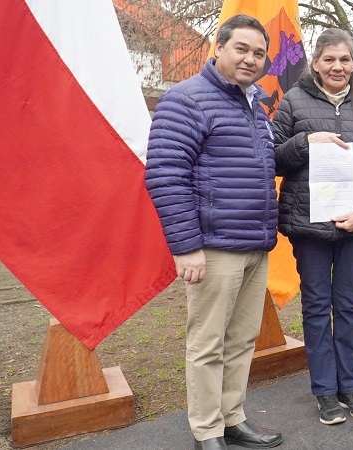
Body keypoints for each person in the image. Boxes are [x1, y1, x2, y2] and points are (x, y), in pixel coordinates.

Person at [145, 15, 282, 450]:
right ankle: (207, 432)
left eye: (258, 53)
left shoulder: (254, 105)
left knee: (242, 339)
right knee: (208, 344)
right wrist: (186, 247)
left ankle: (232, 418)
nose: (250, 59)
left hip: (255, 245)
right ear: (218, 48)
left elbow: (261, 168)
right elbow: (166, 174)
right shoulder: (186, 99)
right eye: (241, 48)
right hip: (213, 247)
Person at [271, 28, 353, 425]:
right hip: (310, 227)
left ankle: (351, 385)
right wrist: (306, 140)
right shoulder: (293, 101)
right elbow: (273, 158)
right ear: (316, 63)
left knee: (348, 306)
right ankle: (325, 391)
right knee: (315, 307)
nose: (337, 67)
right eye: (329, 60)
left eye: (344, 60)